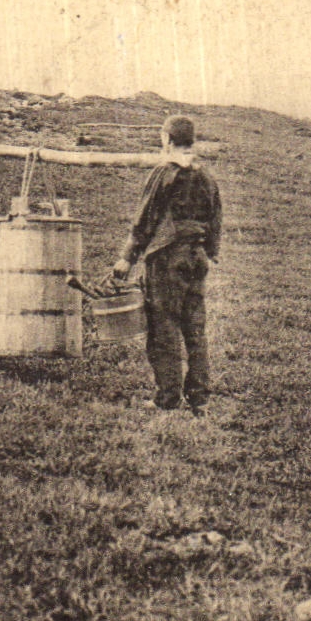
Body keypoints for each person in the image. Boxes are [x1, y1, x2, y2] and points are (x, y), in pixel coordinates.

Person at [112, 115, 223, 415]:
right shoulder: (205, 175)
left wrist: (127, 257)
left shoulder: (164, 172)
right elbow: (216, 217)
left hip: (167, 259)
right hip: (197, 258)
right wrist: (209, 251)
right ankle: (199, 397)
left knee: (164, 327)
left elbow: (144, 219)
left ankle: (168, 398)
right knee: (195, 329)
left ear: (167, 139)